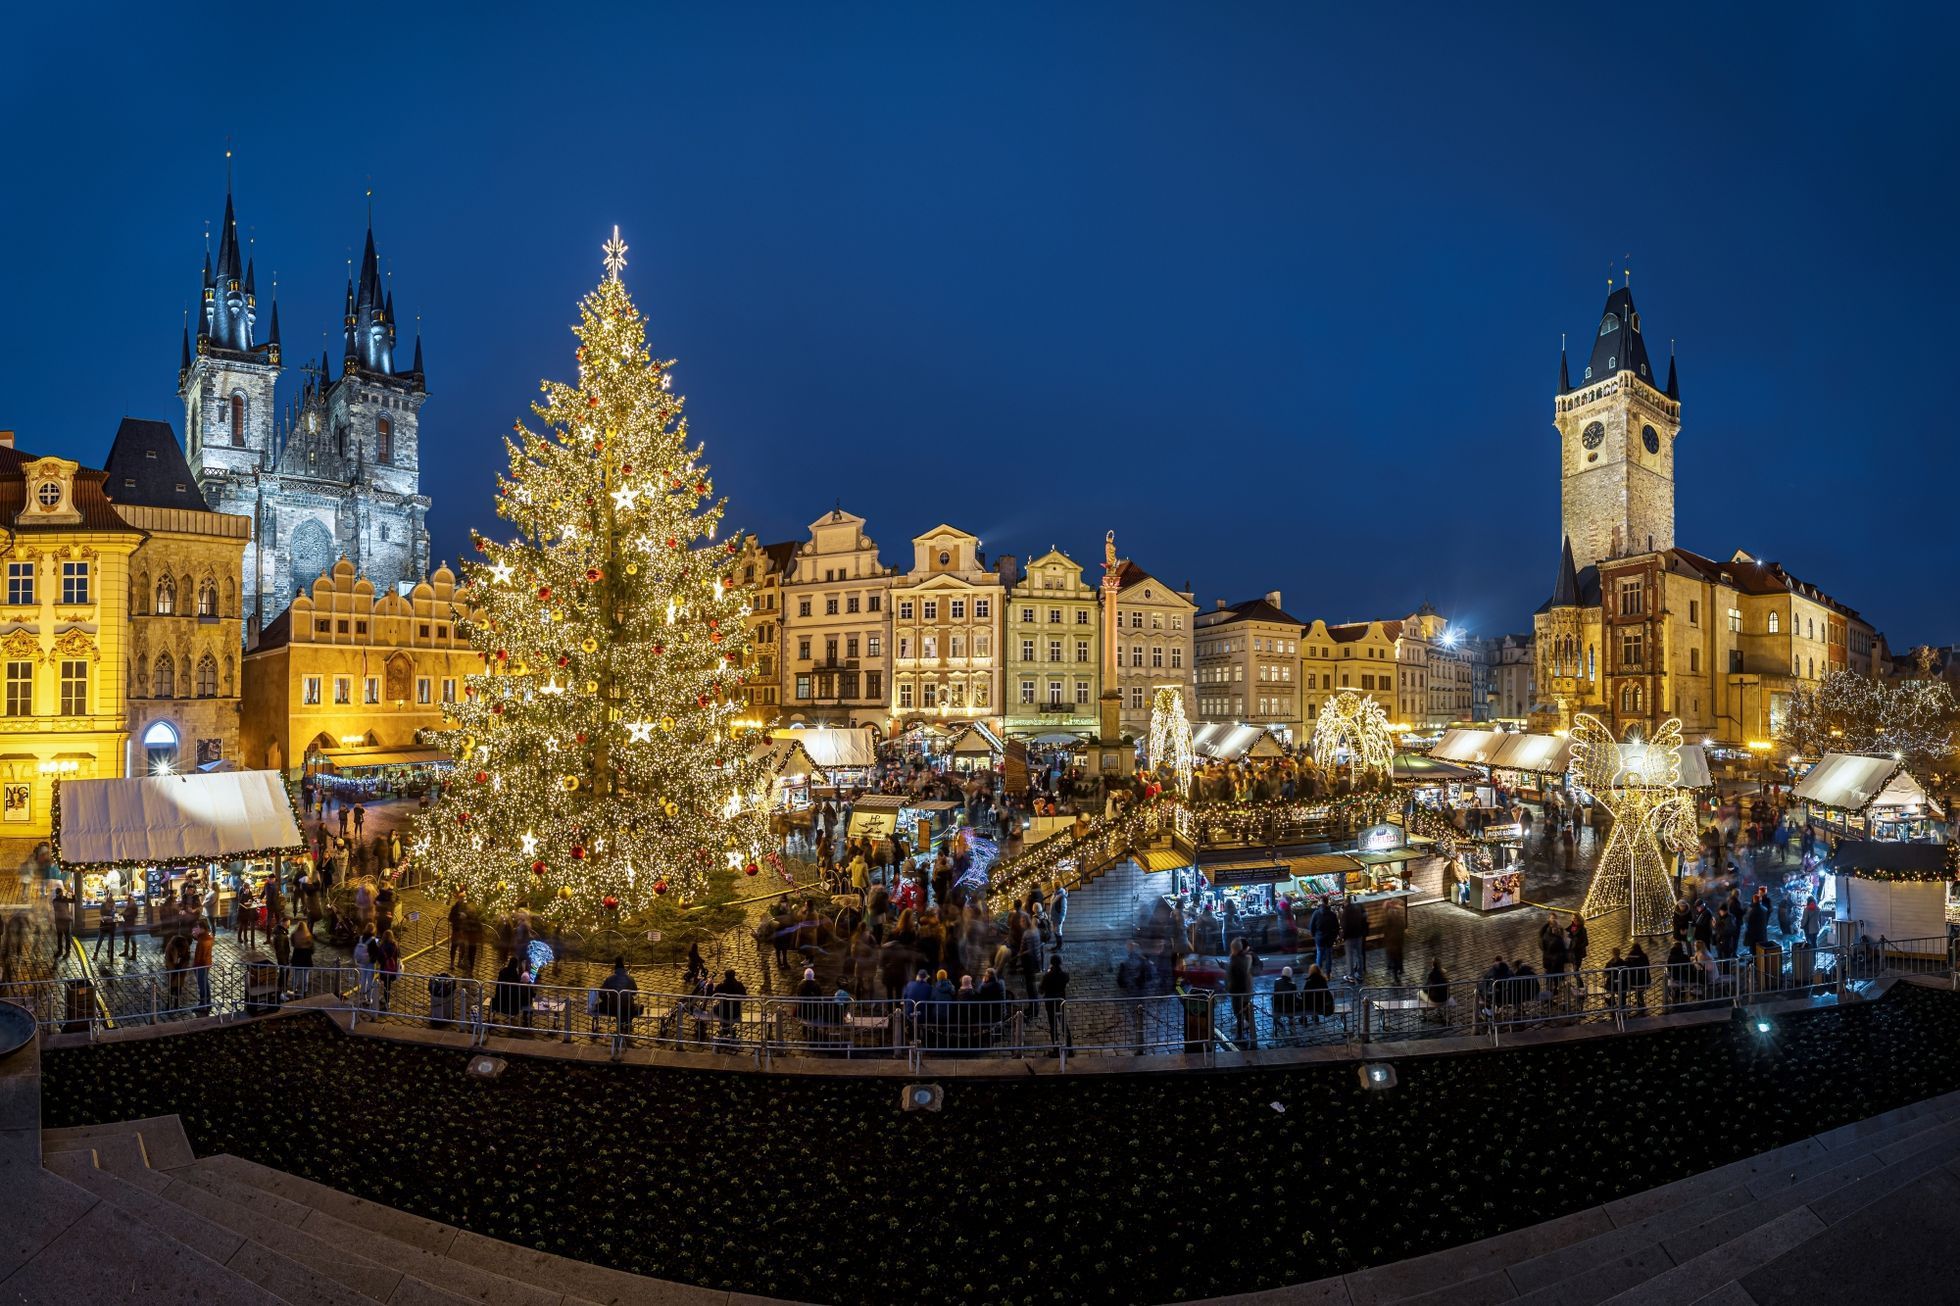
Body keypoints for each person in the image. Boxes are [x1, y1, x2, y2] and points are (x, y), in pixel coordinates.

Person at [1226, 937, 1256, 1048]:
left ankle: (1240, 1036)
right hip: (1243, 992)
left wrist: (1229, 988)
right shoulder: (1244, 958)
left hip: (1238, 993)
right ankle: (1247, 1034)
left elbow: (1235, 978)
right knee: (1243, 1014)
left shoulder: (1236, 960)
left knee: (1239, 1015)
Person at [1038, 953, 1070, 1049]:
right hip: (1060, 1002)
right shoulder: (1065, 975)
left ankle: (1056, 1049)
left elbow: (1041, 990)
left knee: (1053, 1026)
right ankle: (1069, 1047)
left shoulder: (1047, 976)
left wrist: (1048, 972)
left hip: (1050, 1003)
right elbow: (1066, 980)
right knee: (1064, 1024)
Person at [1339, 896, 1368, 984]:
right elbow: (1362, 919)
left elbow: (1344, 925)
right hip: (1358, 935)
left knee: (1350, 956)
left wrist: (1343, 936)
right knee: (1359, 955)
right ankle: (1360, 974)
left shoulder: (1346, 912)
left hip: (1349, 937)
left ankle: (1351, 975)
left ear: (1346, 902)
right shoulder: (1357, 908)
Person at [1307, 897, 1338, 977]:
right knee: (1329, 957)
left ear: (1321, 902)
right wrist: (1333, 938)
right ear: (1328, 903)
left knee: (1319, 955)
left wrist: (1315, 936)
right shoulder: (1332, 914)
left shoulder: (1316, 913)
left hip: (1319, 939)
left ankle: (1318, 973)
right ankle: (1328, 973)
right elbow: (1336, 928)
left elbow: (1311, 927)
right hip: (1329, 940)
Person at [1382, 899, 1407, 986]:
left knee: (1394, 959)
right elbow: (1402, 925)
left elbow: (1387, 930)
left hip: (1393, 942)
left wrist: (1388, 939)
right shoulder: (1397, 914)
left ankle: (1396, 977)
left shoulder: (1389, 916)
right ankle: (1400, 969)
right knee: (1398, 956)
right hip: (1398, 940)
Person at [191, 921, 214, 1014]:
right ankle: (208, 1002)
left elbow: (199, 956)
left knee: (202, 985)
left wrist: (195, 966)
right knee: (205, 983)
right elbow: (199, 938)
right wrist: (195, 936)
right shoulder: (208, 936)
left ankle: (203, 1004)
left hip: (201, 965)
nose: (196, 929)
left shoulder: (202, 941)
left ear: (202, 928)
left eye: (197, 927)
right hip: (207, 963)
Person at [288, 917, 314, 997]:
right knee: (305, 976)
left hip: (297, 957)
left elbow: (292, 944)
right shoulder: (308, 935)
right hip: (306, 959)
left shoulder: (294, 935)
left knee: (295, 975)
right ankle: (304, 991)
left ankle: (294, 989)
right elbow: (312, 949)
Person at [1270, 964, 1300, 1034]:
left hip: (1277, 1008)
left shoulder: (1276, 981)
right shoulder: (1293, 984)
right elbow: (1294, 997)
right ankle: (1291, 1019)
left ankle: (1278, 1018)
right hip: (1289, 1009)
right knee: (1291, 1001)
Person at [376, 929, 402, 1010]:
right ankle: (386, 1001)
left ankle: (387, 1002)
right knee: (388, 986)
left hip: (384, 969)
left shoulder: (382, 946)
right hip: (393, 970)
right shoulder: (395, 945)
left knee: (386, 986)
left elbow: (379, 959)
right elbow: (399, 956)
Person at [91, 893, 119, 967]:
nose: (111, 905)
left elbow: (116, 914)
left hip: (112, 925)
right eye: (109, 904)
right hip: (104, 925)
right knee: (100, 939)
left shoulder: (113, 905)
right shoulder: (103, 905)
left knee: (110, 939)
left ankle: (109, 952)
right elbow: (102, 914)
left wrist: (115, 914)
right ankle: (96, 953)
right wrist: (108, 915)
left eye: (112, 904)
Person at [1625, 941, 1652, 1016]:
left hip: (1634, 982)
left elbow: (1626, 966)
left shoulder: (1630, 957)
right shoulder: (1644, 956)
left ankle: (1638, 997)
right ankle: (1639, 998)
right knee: (1639, 987)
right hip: (1646, 980)